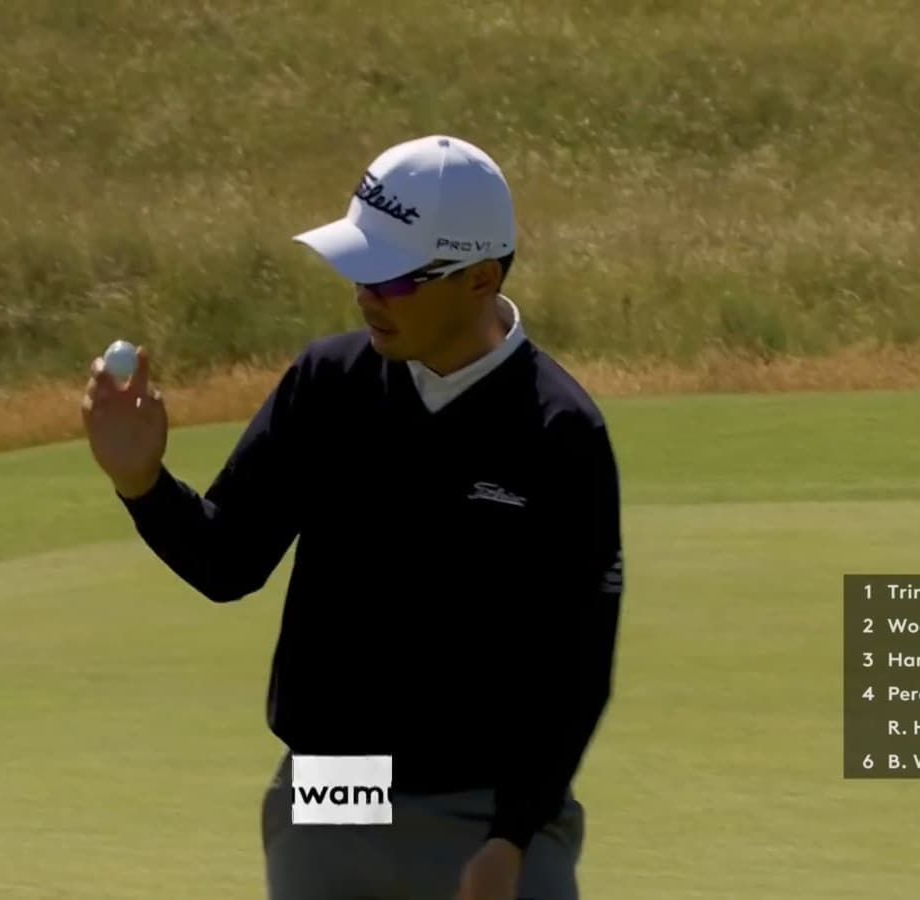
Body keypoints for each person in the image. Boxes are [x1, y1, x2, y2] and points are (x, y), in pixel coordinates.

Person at [81, 134, 626, 900]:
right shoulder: (328, 382)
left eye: (393, 275)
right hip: (334, 788)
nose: (365, 291)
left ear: (477, 278)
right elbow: (227, 561)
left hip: (488, 807)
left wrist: (511, 837)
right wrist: (141, 484)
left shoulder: (558, 431)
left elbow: (576, 667)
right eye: (357, 265)